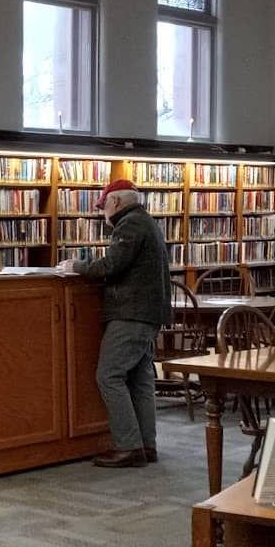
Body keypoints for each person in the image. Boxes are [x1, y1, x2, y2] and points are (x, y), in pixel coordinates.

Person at [56, 178, 169, 468]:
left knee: (109, 375)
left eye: (103, 205)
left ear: (115, 202)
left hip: (130, 313)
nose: (102, 212)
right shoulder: (147, 222)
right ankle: (146, 444)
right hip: (149, 314)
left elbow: (112, 266)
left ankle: (128, 446)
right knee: (141, 379)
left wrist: (77, 266)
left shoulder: (129, 225)